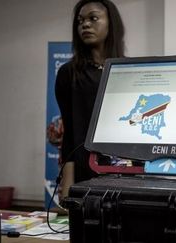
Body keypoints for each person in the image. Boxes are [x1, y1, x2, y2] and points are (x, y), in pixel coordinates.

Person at [55, 0, 125, 194]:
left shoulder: (127, 70)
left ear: (111, 23)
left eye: (93, 18)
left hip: (125, 171)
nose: (85, 24)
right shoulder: (68, 73)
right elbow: (70, 133)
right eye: (80, 21)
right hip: (86, 172)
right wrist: (68, 183)